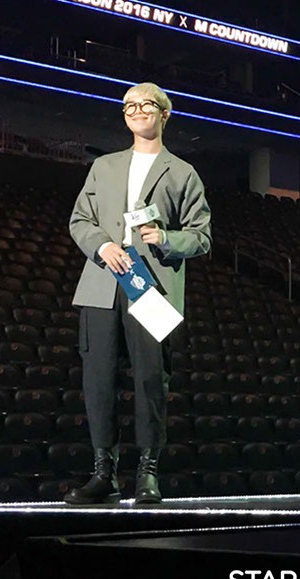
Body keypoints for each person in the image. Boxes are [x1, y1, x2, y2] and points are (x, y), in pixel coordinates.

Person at [65, 82, 211, 505]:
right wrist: (101, 246)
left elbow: (201, 237)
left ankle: (148, 474)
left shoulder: (183, 172)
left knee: (151, 381)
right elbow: (80, 220)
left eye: (147, 104)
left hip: (153, 290)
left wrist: (166, 238)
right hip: (102, 285)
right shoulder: (103, 166)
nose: (137, 110)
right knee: (98, 382)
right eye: (129, 105)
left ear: (165, 114)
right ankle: (103, 474)